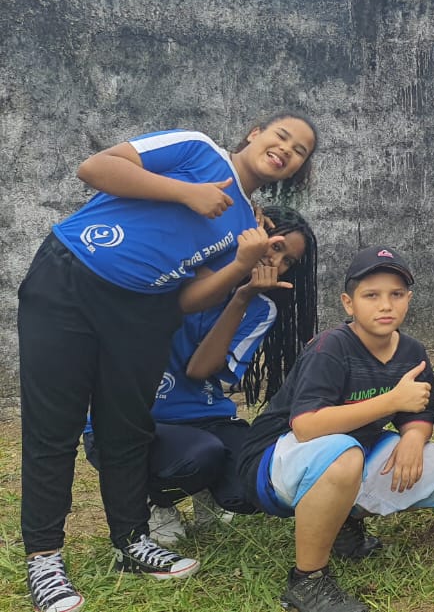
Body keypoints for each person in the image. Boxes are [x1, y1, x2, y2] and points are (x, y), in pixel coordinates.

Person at [21, 115, 318, 612]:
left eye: (300, 150)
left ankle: (132, 540)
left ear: (296, 170)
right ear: (254, 133)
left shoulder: (246, 228)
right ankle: (45, 559)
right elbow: (95, 168)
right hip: (72, 277)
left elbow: (187, 300)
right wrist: (187, 194)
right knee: (54, 429)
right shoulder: (197, 150)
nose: (286, 149)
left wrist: (242, 266)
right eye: (281, 136)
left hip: (145, 308)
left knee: (127, 428)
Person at [235, 246, 434, 612]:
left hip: (350, 451)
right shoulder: (331, 347)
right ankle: (307, 581)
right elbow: (306, 426)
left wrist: (412, 437)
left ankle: (343, 520)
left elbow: (419, 412)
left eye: (396, 294)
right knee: (343, 456)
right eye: (371, 295)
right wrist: (391, 402)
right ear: (349, 303)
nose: (385, 305)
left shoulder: (412, 351)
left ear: (408, 299)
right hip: (275, 461)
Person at [82, 205, 319, 546]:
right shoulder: (179, 269)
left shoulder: (261, 308)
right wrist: (232, 219)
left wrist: (242, 297)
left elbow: (199, 370)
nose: (276, 262)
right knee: (200, 455)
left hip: (205, 419)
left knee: (254, 481)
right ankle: (155, 501)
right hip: (132, 423)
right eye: (276, 246)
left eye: (288, 262)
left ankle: (205, 488)